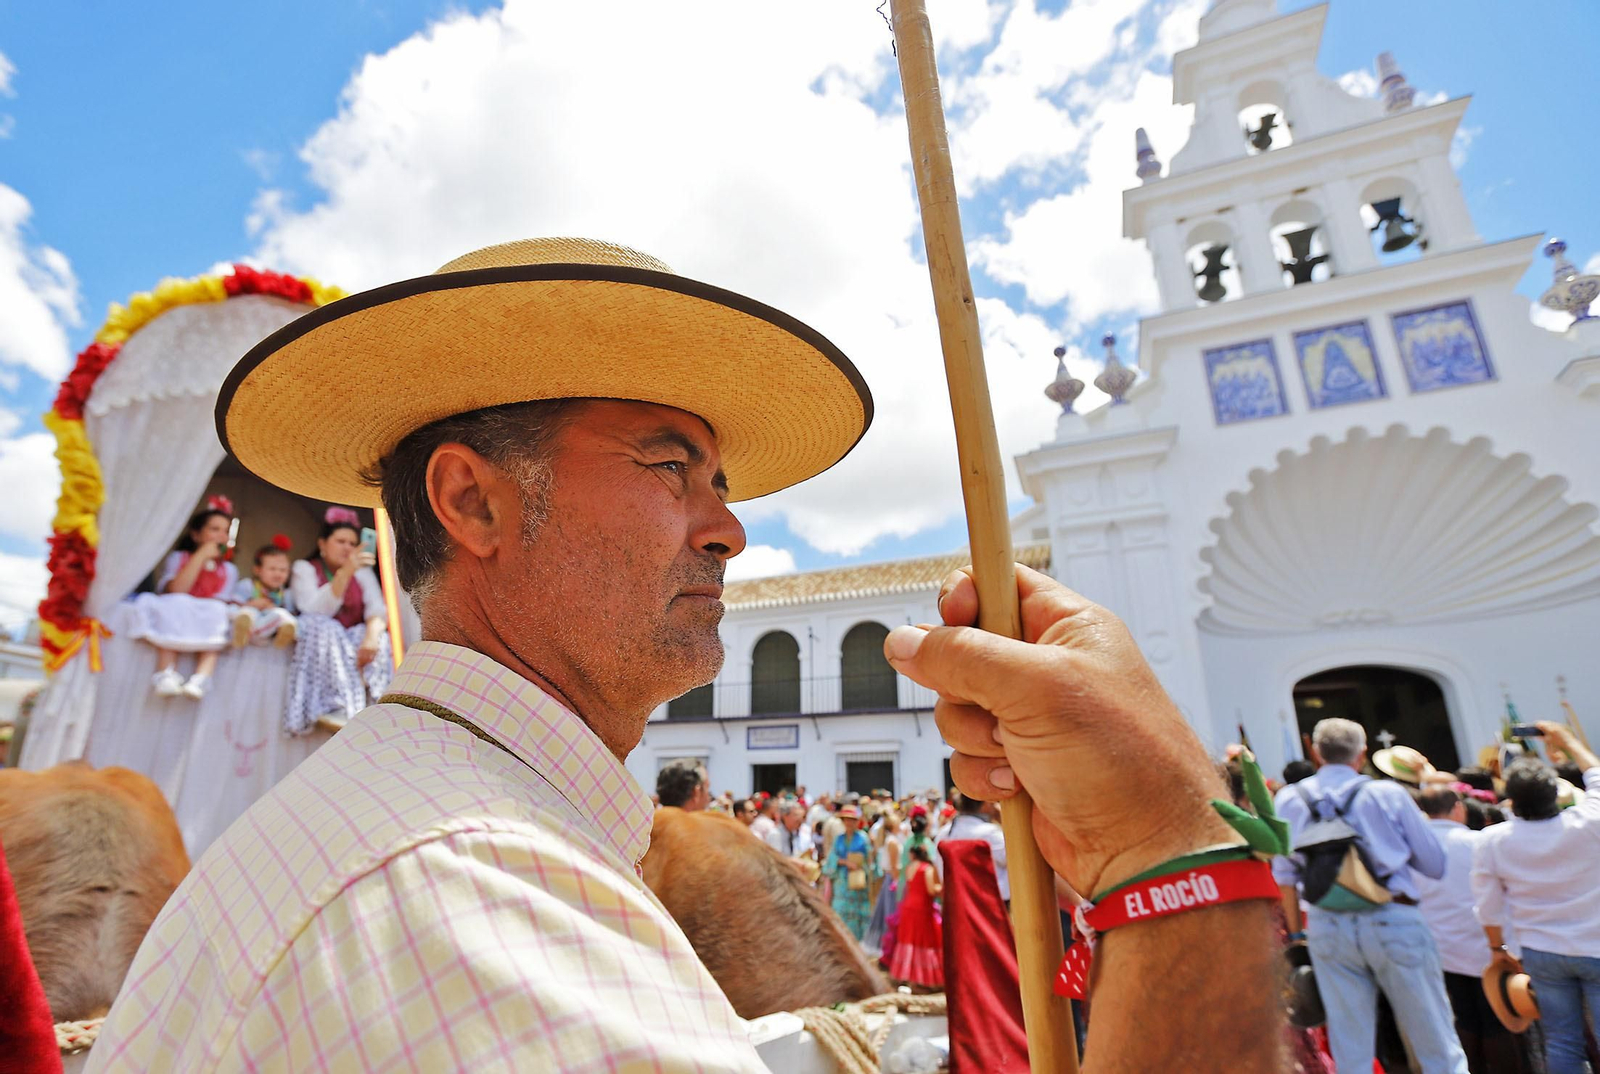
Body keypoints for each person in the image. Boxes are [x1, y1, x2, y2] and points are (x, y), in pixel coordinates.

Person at [91, 239, 1284, 1072]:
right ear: (474, 503)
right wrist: (1176, 860)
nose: (730, 526)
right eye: (669, 469)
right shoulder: (472, 894)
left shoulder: (456, 828)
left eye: (719, 481)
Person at [1273, 718, 1467, 1074]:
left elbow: (1284, 877)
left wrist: (1299, 937)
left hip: (1327, 925)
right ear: (1361, 755)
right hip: (1394, 918)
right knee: (1437, 1042)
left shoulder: (1289, 798)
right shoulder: (1388, 793)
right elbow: (1434, 864)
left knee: (1351, 1049)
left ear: (1316, 754)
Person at [1472, 722, 1600, 1074]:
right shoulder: (1589, 822)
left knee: (1561, 1041)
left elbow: (1488, 907)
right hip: (1595, 945)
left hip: (1542, 950)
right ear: (1555, 794)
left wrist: (1497, 950)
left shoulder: (1494, 840)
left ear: (1510, 801)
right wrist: (1568, 740)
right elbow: (1598, 776)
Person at [1414, 786, 1528, 1073]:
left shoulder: (1413, 849)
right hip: (1491, 947)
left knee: (1463, 1020)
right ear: (1458, 808)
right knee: (1500, 1022)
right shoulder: (1478, 842)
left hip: (1443, 951)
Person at [283, 507, 392, 733]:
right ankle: (332, 706)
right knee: (323, 626)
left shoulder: (362, 573)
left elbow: (377, 610)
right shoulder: (304, 568)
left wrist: (371, 638)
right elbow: (314, 610)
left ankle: (379, 706)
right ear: (322, 544)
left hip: (353, 646)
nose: (348, 548)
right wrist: (345, 572)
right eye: (341, 541)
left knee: (377, 635)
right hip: (321, 642)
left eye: (353, 543)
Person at [122, 497, 237, 699]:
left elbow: (222, 601)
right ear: (196, 534)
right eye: (214, 529)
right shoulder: (178, 559)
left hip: (206, 613)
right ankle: (165, 673)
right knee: (176, 604)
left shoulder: (229, 570)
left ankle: (201, 678)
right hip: (179, 607)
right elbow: (176, 590)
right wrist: (200, 557)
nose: (221, 535)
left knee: (218, 612)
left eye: (225, 531)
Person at [888, 842, 943, 990]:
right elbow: (931, 890)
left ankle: (910, 978)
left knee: (909, 942)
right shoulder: (928, 869)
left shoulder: (909, 868)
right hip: (922, 909)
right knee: (925, 941)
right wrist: (943, 888)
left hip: (908, 908)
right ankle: (924, 980)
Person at [938, 792, 1008, 902]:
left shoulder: (943, 833)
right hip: (991, 903)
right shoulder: (990, 833)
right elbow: (1015, 860)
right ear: (985, 804)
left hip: (957, 901)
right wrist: (1004, 821)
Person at [228, 540, 298, 648]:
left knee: (281, 615)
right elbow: (233, 604)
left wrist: (271, 608)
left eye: (283, 570)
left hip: (268, 627)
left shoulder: (286, 594)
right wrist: (251, 604)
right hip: (250, 619)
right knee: (246, 612)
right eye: (272, 569)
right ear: (257, 570)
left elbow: (291, 613)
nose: (278, 574)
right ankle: (242, 631)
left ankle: (285, 632)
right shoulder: (247, 585)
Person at [826, 804, 875, 941]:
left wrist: (860, 864)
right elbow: (831, 858)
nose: (849, 823)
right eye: (846, 820)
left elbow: (871, 860)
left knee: (858, 916)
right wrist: (844, 862)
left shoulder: (863, 838)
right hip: (842, 881)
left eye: (852, 820)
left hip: (858, 881)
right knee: (840, 913)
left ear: (857, 822)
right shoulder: (839, 839)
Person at [862, 808, 902, 953]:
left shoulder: (890, 839)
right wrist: (899, 882)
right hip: (892, 879)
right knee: (891, 912)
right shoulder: (892, 842)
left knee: (886, 911)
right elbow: (894, 865)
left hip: (889, 879)